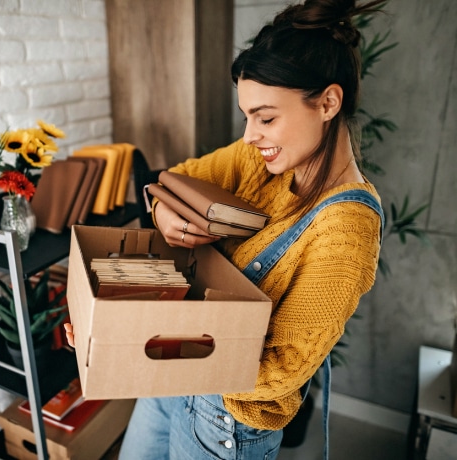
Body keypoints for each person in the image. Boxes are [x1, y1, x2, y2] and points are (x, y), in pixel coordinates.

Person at [65, 0, 386, 458]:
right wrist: (164, 215)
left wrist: (133, 342)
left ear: (328, 102)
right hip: (169, 375)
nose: (251, 134)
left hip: (227, 420)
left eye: (266, 117)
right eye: (247, 116)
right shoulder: (258, 160)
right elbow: (173, 179)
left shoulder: (347, 227)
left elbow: (282, 368)